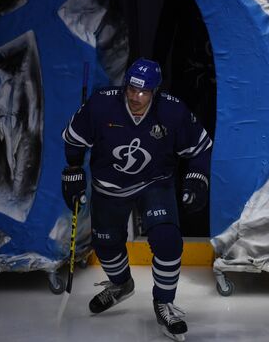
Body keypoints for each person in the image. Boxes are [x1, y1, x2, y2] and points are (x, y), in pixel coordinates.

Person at [61, 58, 212, 341]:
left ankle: (164, 302)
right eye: (131, 89)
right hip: (108, 185)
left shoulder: (172, 110)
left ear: (155, 91)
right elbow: (74, 139)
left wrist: (197, 178)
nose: (135, 97)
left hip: (155, 182)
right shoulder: (101, 104)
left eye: (143, 92)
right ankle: (120, 285)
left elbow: (200, 147)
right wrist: (72, 171)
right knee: (105, 245)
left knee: (168, 241)